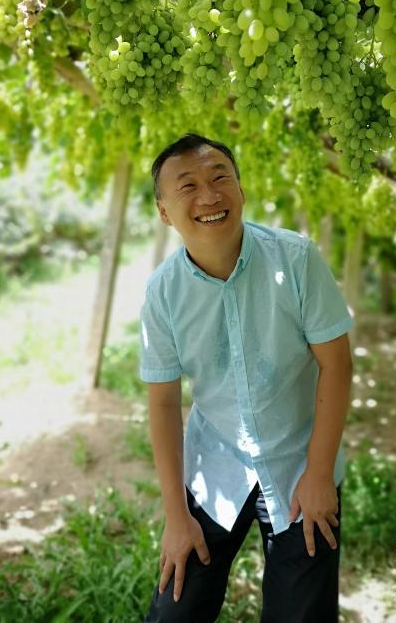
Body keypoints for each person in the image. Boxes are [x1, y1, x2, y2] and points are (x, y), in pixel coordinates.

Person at [139, 133, 354, 623]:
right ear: (165, 212)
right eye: (187, 186)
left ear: (240, 189)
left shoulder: (296, 259)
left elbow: (336, 364)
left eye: (220, 178)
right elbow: (164, 403)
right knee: (174, 613)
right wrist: (176, 517)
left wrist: (320, 474)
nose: (209, 196)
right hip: (215, 465)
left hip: (300, 462)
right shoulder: (163, 293)